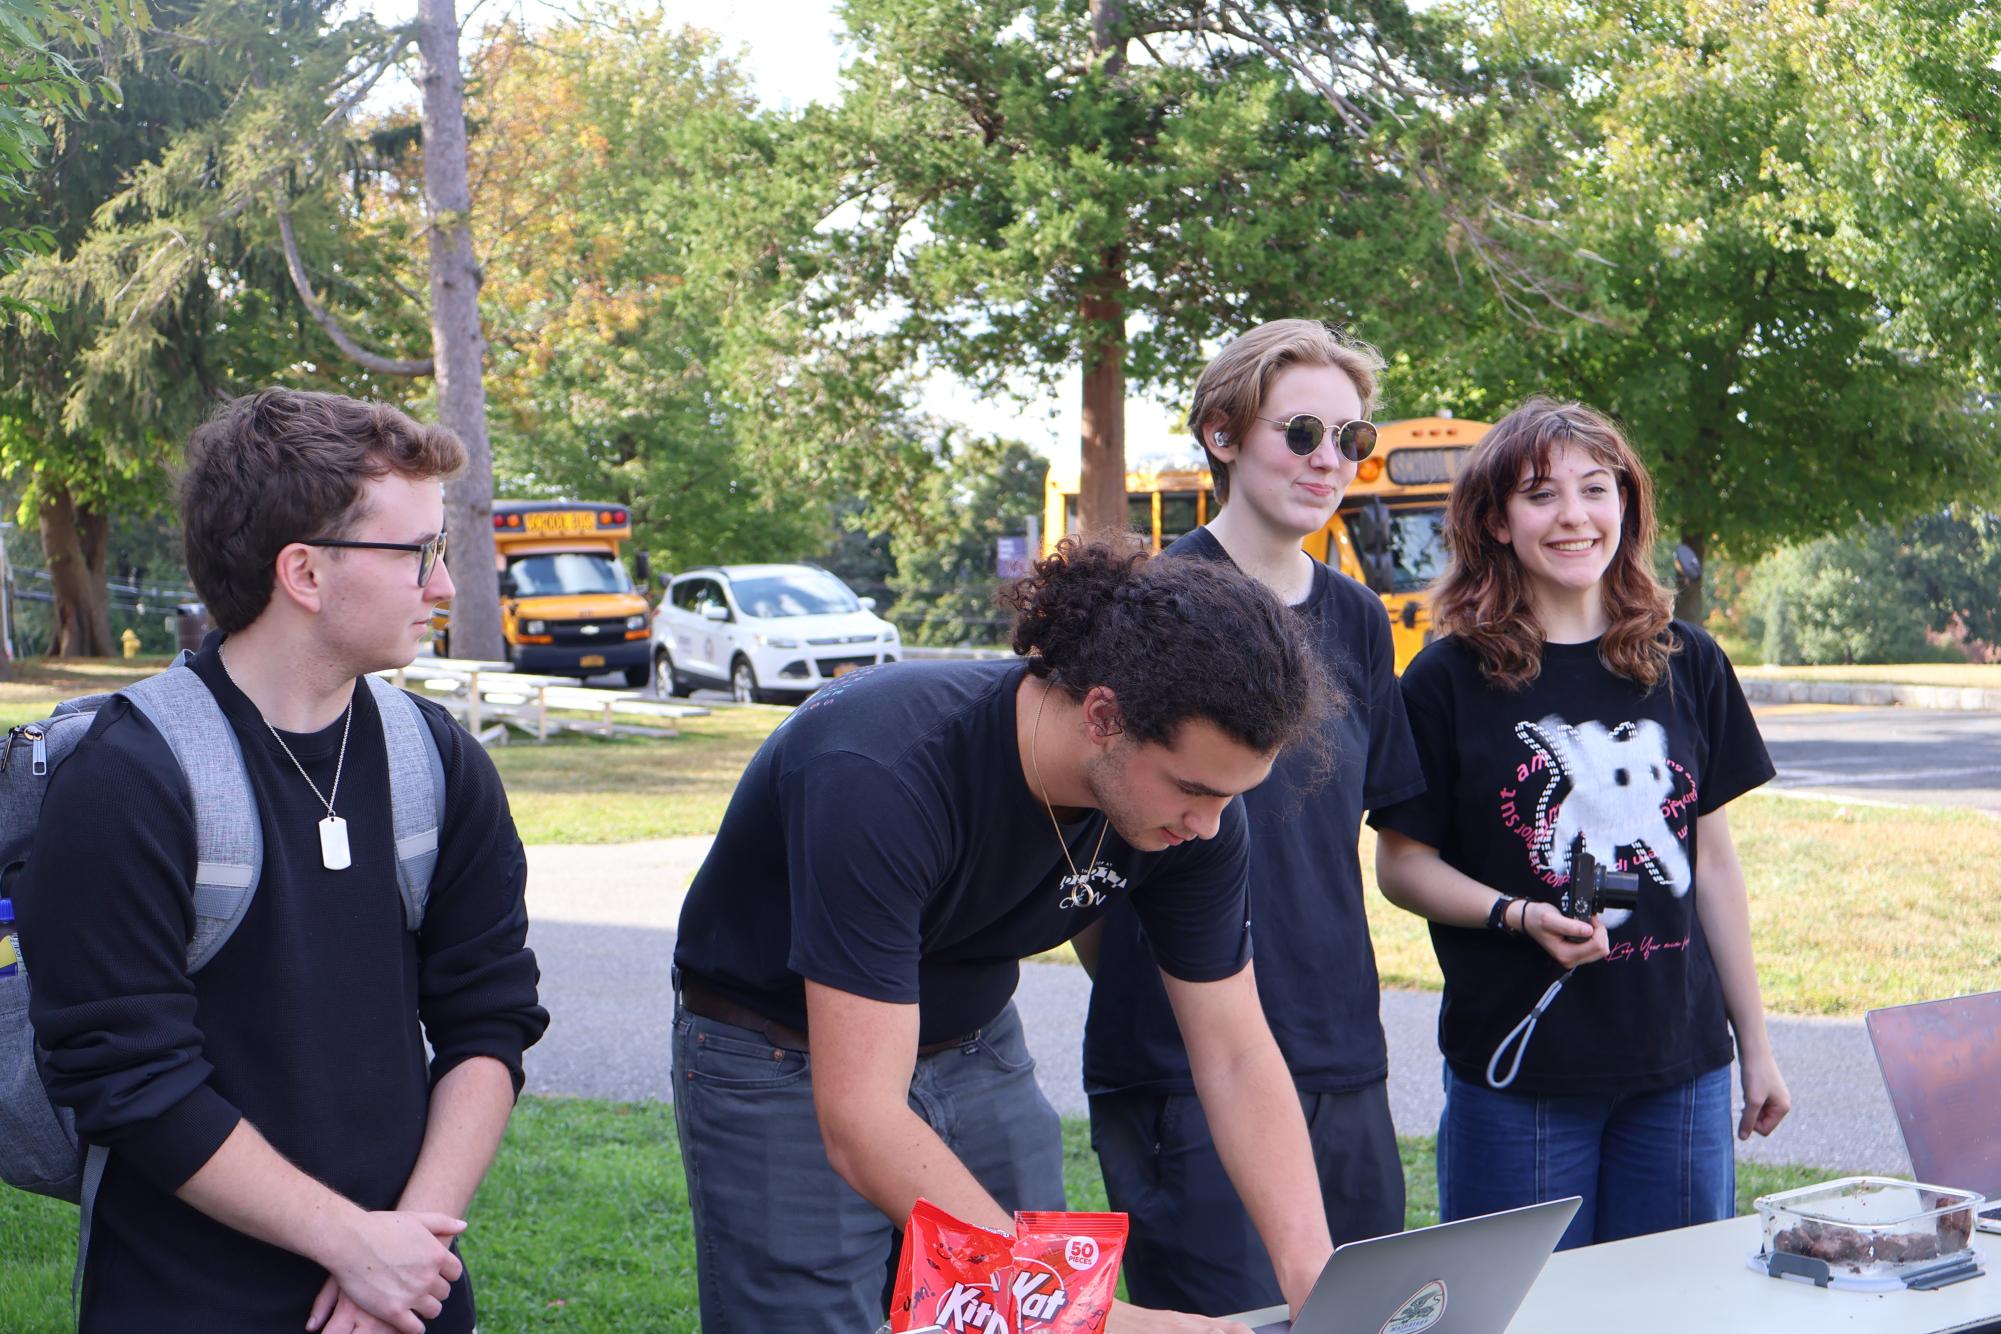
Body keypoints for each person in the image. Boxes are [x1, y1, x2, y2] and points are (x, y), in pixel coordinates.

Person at [672, 536, 1341, 1333]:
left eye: (1233, 795)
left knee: (1015, 1321)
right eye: (1193, 789)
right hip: (776, 1047)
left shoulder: (1197, 820)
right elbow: (860, 1120)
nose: (1209, 824)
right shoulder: (879, 771)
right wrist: (1105, 1321)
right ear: (1103, 716)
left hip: (975, 1038)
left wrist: (1313, 1275)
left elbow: (1233, 1051)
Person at [19, 389, 549, 1332]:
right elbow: (129, 1078)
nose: (445, 588)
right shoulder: (125, 781)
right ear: (304, 572)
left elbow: (489, 1020)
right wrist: (353, 1246)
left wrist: (404, 1252)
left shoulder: (440, 760)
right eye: (418, 554)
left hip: (406, 1293)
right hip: (186, 1300)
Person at [1370, 397, 1791, 1251]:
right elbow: (1401, 863)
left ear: (1626, 505)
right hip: (1521, 1074)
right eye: (1539, 495)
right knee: (1526, 1312)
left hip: (1681, 1073)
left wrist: (1755, 1044)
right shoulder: (1444, 680)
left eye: (1595, 489)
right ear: (1493, 521)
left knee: (1669, 1311)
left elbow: (1709, 866)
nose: (1573, 517)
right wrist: (1515, 914)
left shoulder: (1688, 660)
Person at [1078, 319, 1426, 1316]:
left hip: (1339, 1055)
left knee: (1353, 1318)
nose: (1329, 461)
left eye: (1352, 441)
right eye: (1301, 431)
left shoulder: (1360, 621)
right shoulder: (1145, 607)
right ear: (1222, 435)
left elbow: (1355, 839)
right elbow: (1089, 851)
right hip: (1183, 1067)